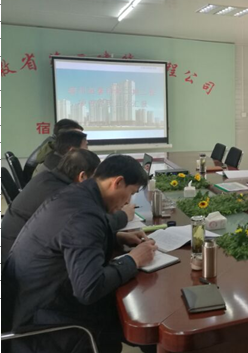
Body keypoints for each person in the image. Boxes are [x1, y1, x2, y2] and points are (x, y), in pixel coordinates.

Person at [3, 155, 157, 353]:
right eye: (131, 193)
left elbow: (71, 239)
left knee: (140, 320)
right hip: (45, 327)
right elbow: (89, 289)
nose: (128, 201)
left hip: (35, 304)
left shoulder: (77, 194)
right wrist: (133, 260)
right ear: (117, 182)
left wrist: (116, 238)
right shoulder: (83, 215)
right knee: (143, 318)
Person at [1, 149, 134, 263]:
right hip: (16, 264)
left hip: (19, 255)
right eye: (96, 178)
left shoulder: (47, 178)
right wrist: (123, 216)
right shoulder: (63, 195)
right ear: (82, 176)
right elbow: (87, 224)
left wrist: (115, 238)